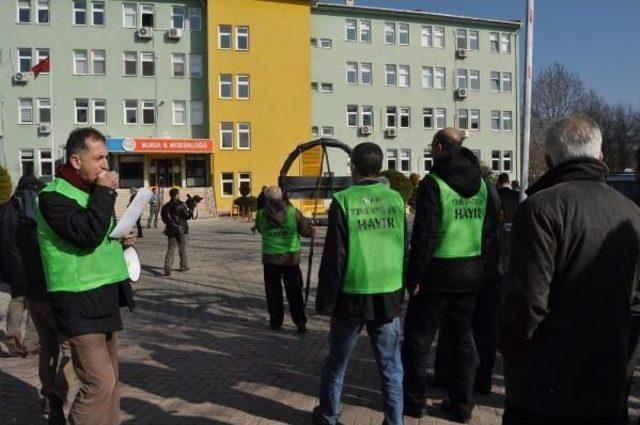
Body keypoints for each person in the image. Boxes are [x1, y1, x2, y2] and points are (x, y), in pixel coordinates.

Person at [498, 115, 640, 425]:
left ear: (548, 160)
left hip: (545, 389)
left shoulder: (539, 209)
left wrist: (506, 346)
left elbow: (525, 306)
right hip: (608, 382)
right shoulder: (631, 213)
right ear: (601, 157)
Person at [36, 127, 137, 425]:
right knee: (99, 384)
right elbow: (86, 235)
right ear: (76, 161)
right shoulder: (52, 197)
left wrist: (122, 238)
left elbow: (100, 233)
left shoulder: (91, 193)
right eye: (99, 158)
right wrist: (106, 192)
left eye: (106, 157)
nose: (106, 165)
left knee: (113, 382)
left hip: (104, 296)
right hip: (77, 301)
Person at [403, 128, 496, 423]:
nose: (431, 150)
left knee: (418, 339)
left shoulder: (433, 183)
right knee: (462, 340)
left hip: (437, 275)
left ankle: (414, 402)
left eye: (432, 145)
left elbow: (425, 234)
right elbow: (488, 231)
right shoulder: (481, 184)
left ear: (441, 147)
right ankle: (461, 404)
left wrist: (414, 277)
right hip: (471, 273)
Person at [313, 142, 407, 425]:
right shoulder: (397, 199)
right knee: (391, 366)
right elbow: (405, 246)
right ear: (379, 167)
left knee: (337, 363)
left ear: (353, 167)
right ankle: (394, 420)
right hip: (389, 291)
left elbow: (334, 257)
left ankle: (329, 416)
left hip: (352, 294)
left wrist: (325, 301)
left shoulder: (344, 200)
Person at [3, 175, 74, 424]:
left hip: (28, 289)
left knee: (47, 346)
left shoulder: (12, 219)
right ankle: (55, 398)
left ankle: (46, 394)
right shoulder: (43, 219)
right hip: (50, 291)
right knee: (68, 347)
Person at [255, 186, 313, 333]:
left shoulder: (261, 214)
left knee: (273, 292)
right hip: (291, 258)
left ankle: (275, 322)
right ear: (282, 197)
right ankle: (300, 321)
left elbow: (261, 230)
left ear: (267, 199)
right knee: (294, 292)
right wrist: (311, 230)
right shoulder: (293, 212)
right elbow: (306, 232)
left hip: (270, 258)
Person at [0, 192, 39, 358]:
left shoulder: (3, 209)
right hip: (33, 262)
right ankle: (31, 344)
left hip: (10, 262)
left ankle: (12, 335)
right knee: (35, 303)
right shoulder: (36, 205)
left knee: (18, 298)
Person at [160, 188, 191, 276]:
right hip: (181, 230)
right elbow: (187, 216)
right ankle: (183, 265)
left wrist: (170, 224)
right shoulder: (181, 205)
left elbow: (163, 218)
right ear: (176, 195)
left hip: (170, 230)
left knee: (171, 248)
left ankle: (167, 265)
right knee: (183, 248)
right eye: (178, 194)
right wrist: (191, 210)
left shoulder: (165, 206)